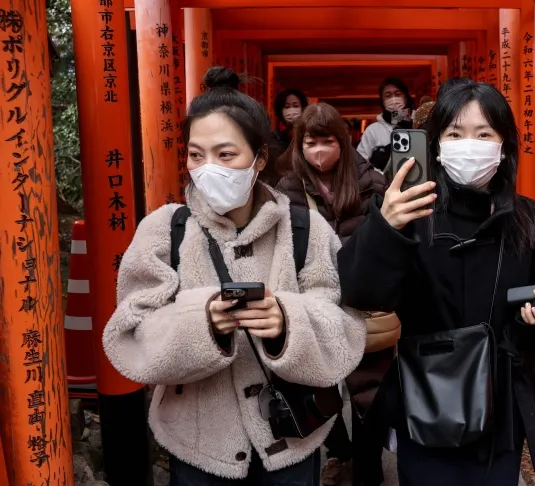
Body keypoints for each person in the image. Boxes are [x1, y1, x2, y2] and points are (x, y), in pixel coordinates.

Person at [103, 67, 366, 486]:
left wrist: (287, 322)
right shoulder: (163, 230)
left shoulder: (307, 229)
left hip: (291, 438)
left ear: (259, 158)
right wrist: (201, 324)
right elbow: (129, 335)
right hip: (198, 444)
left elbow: (344, 330)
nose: (208, 168)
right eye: (195, 154)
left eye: (225, 155)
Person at [337, 80, 535, 485]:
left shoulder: (527, 218)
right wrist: (386, 226)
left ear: (503, 145)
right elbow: (361, 294)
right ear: (437, 145)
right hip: (429, 394)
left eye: (484, 134)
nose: (470, 144)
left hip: (501, 399)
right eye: (455, 134)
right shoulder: (409, 212)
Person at [276, 103, 391, 486]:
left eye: (328, 141)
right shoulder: (287, 187)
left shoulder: (371, 181)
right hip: (313, 304)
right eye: (311, 142)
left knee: (369, 396)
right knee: (317, 388)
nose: (319, 150)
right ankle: (340, 451)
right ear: (299, 144)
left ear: (343, 141)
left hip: (365, 303)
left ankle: (367, 471)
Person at [356, 77, 414, 171]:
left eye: (398, 94)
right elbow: (359, 164)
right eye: (388, 95)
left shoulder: (418, 123)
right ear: (382, 102)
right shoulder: (373, 130)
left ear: (406, 98)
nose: (394, 99)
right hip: (383, 183)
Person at [266, 88, 310, 185]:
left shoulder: (310, 137)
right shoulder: (274, 139)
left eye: (295, 106)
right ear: (281, 111)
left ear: (303, 108)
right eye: (287, 107)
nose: (292, 110)